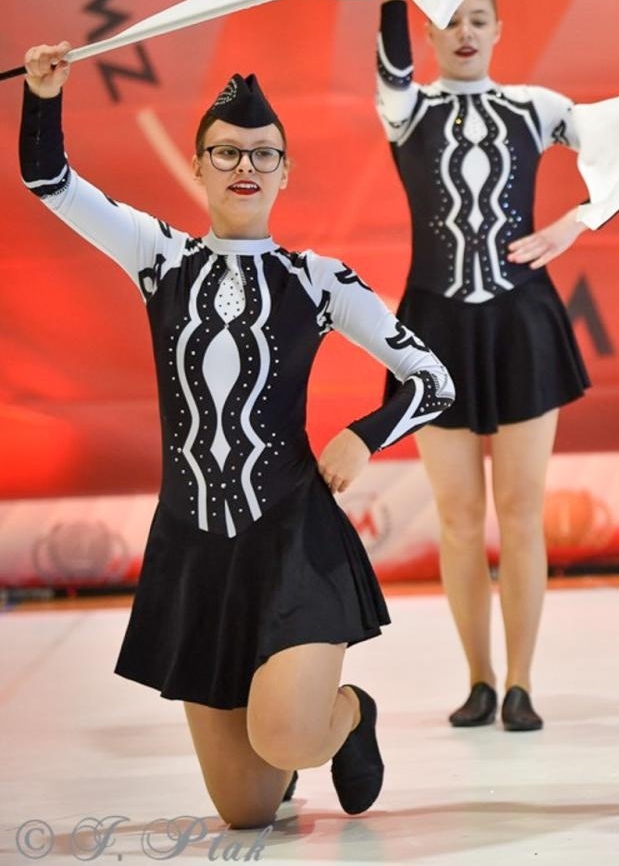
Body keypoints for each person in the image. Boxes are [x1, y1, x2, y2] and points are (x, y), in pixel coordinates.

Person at [19, 43, 455, 826]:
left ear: (286, 171)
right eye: (225, 152)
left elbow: (433, 379)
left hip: (295, 543)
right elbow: (49, 180)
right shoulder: (158, 256)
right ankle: (286, 734)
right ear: (197, 166)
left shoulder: (317, 278)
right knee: (246, 811)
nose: (244, 165)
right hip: (195, 555)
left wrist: (364, 434)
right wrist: (44, 95)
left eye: (262, 154)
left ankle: (346, 713)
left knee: (287, 736)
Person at [375, 0, 588, 731]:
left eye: (478, 20)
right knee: (460, 518)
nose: (464, 32)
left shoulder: (536, 108)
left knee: (521, 514)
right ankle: (479, 679)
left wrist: (576, 221)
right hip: (435, 327)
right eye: (449, 21)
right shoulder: (406, 111)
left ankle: (522, 682)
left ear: (499, 29)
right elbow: (390, 65)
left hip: (521, 323)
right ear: (428, 34)